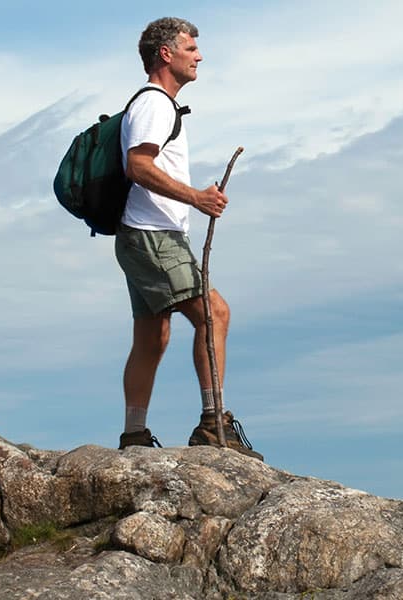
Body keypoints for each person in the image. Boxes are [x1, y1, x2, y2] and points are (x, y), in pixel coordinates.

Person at [114, 17, 262, 460]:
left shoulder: (157, 105)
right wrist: (196, 197)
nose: (198, 56)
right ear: (166, 54)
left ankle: (134, 435)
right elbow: (137, 166)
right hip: (153, 234)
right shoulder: (155, 104)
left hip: (143, 235)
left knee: (152, 335)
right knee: (214, 313)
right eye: (190, 48)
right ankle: (213, 423)